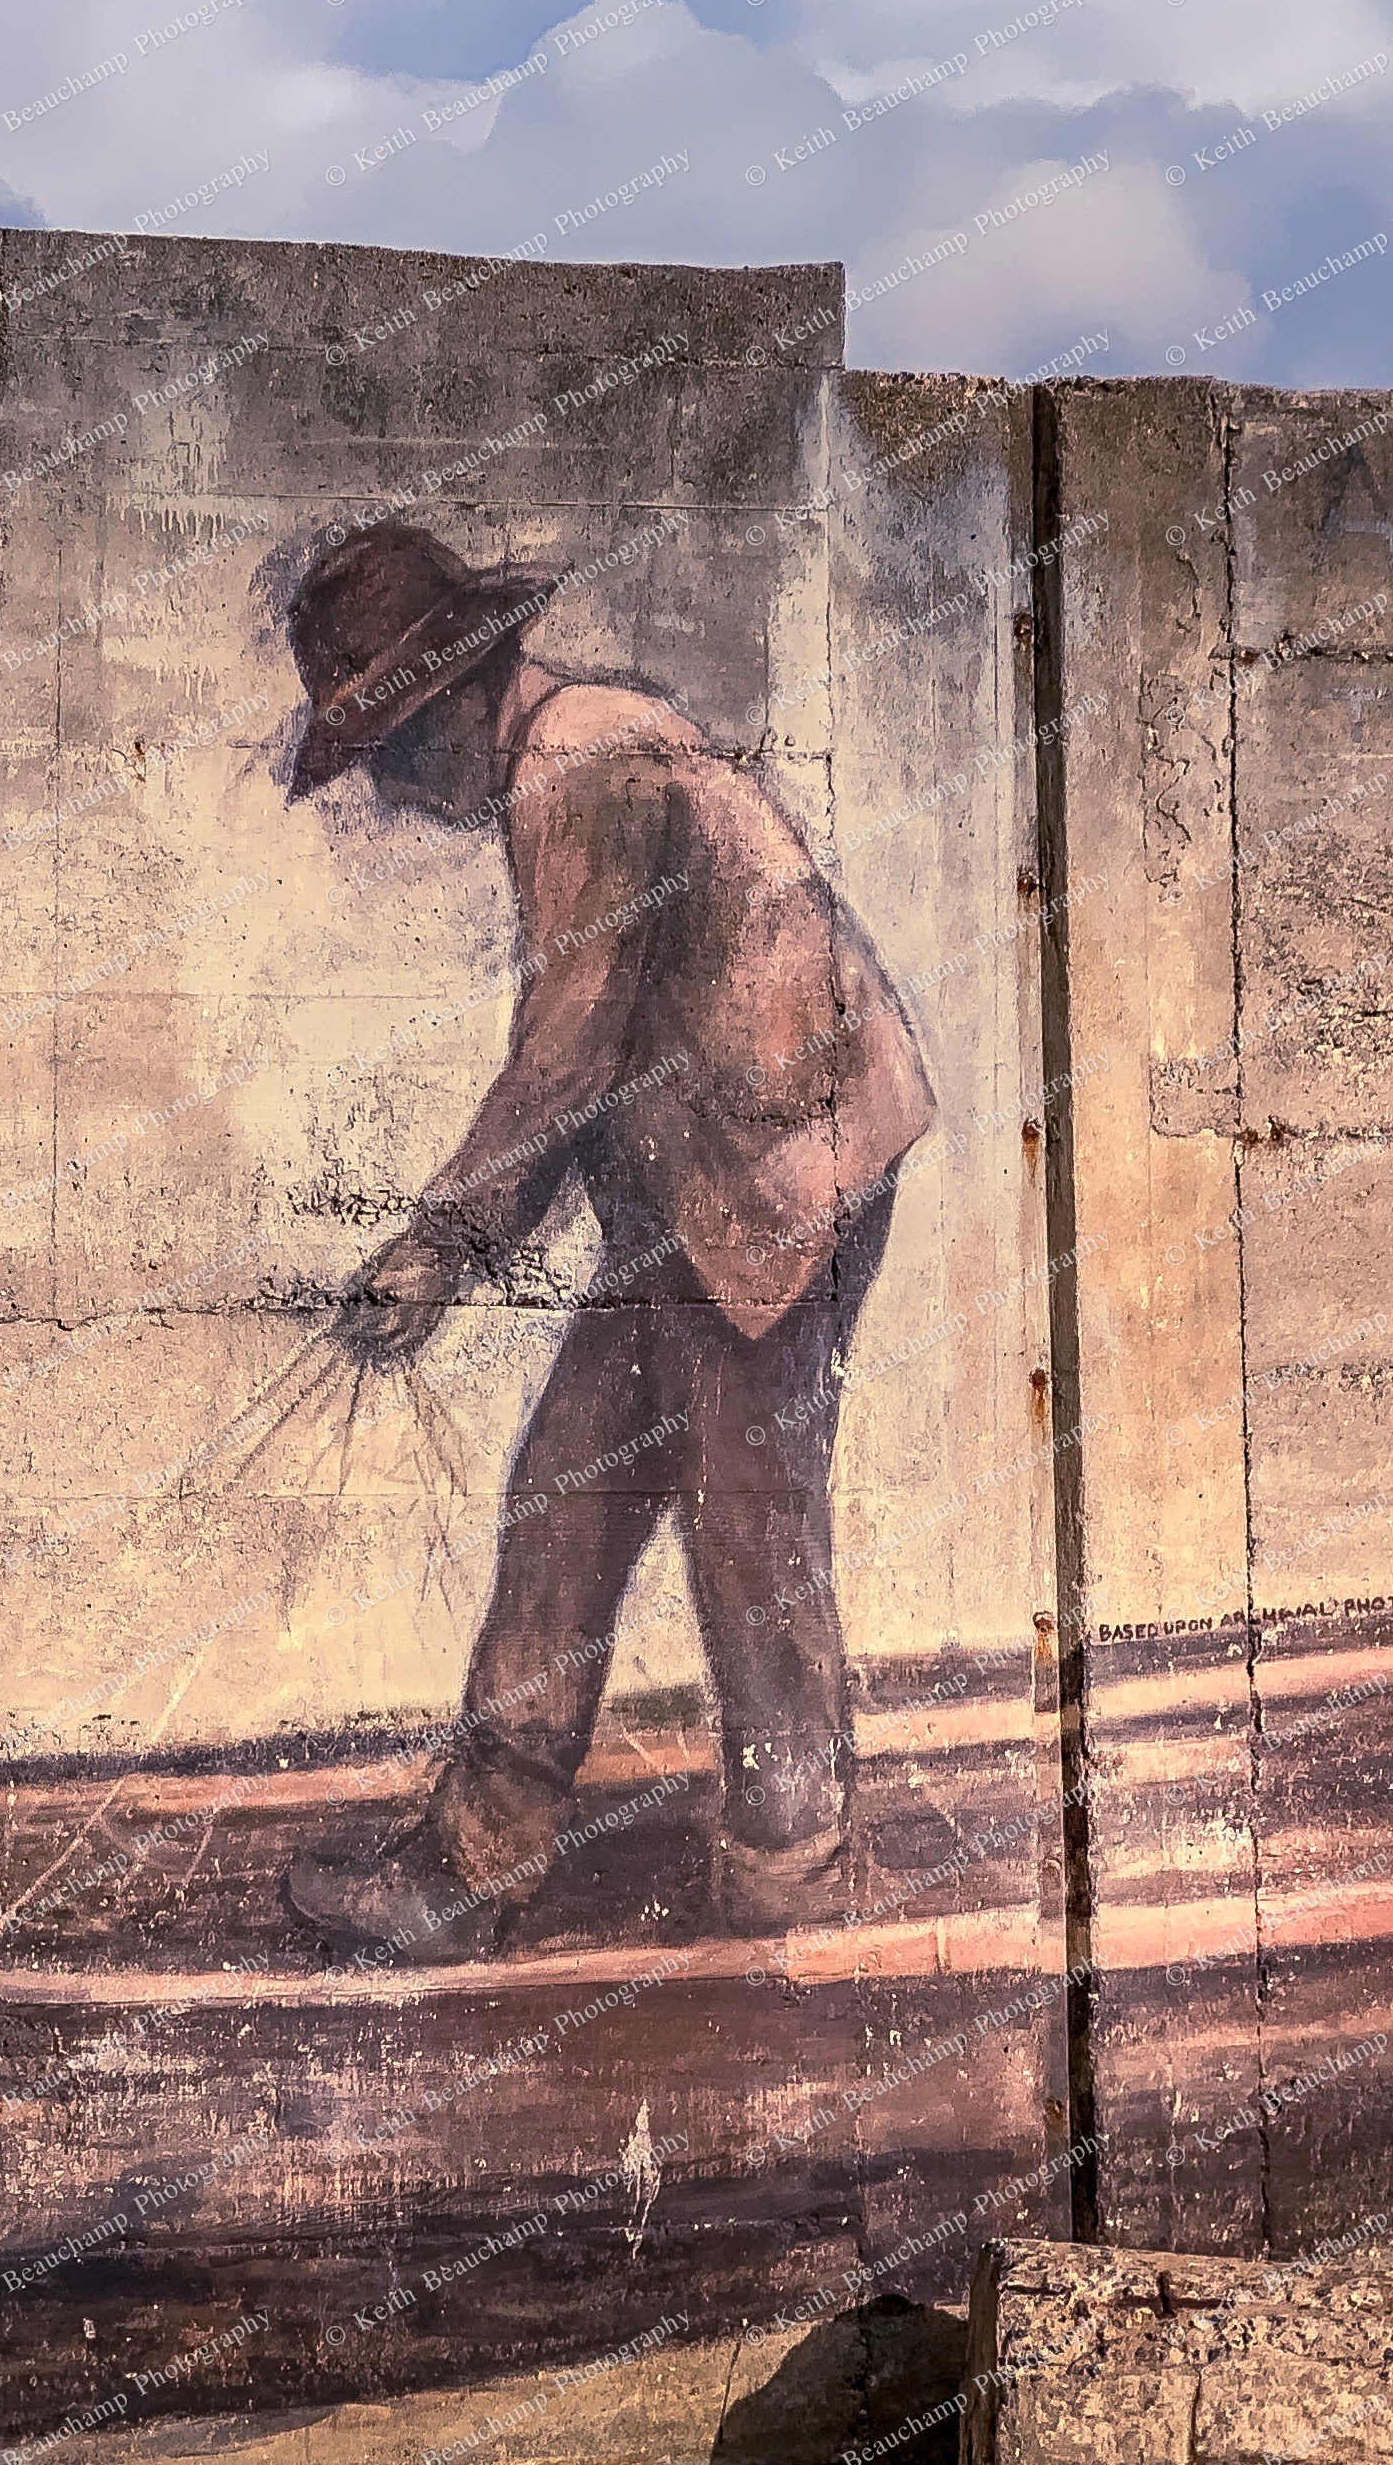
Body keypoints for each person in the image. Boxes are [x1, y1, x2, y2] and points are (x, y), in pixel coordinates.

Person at [270, 523, 934, 1962]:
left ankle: (793, 1878)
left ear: (452, 692)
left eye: (386, 745)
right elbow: (596, 1057)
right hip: (693, 1192)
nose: (385, 787)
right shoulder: (563, 767)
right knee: (568, 1491)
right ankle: (470, 1862)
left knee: (751, 1530)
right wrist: (457, 1235)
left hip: (780, 1177)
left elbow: (567, 1047)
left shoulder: (581, 764)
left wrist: (444, 1240)